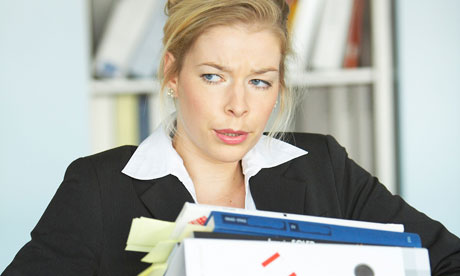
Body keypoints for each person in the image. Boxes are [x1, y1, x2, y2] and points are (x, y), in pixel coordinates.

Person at [3, 0, 460, 275]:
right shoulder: (99, 188)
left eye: (259, 81)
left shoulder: (324, 166)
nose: (238, 106)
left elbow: (447, 261)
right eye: (213, 76)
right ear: (172, 73)